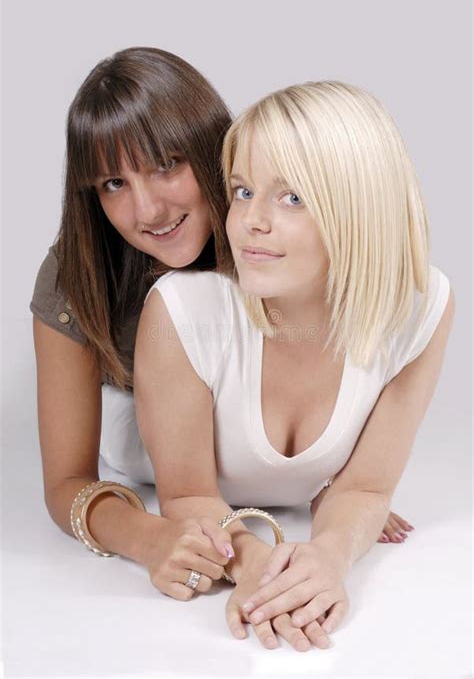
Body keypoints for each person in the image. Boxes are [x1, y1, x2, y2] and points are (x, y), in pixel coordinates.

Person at [133, 81, 455, 652]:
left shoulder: (421, 309)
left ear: (361, 208)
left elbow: (366, 485)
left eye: (292, 198)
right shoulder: (183, 310)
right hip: (134, 460)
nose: (250, 221)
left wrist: (327, 559)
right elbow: (184, 496)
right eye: (241, 190)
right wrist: (256, 569)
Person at [31, 46, 239, 590]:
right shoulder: (76, 273)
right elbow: (67, 481)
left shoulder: (272, 230)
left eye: (166, 165)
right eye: (113, 184)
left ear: (210, 146)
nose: (147, 211)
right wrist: (151, 539)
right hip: (149, 456)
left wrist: (346, 484)